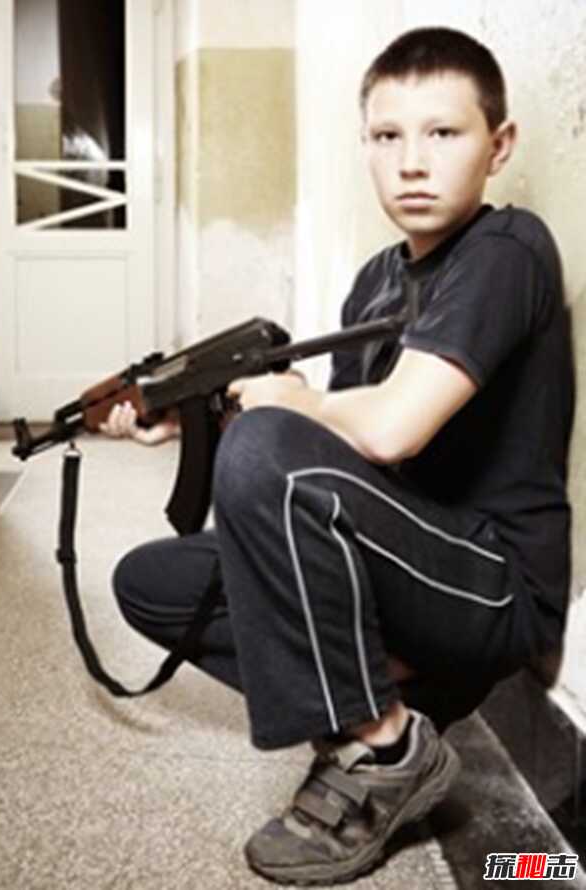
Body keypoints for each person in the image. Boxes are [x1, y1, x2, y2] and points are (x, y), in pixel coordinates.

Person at [110, 26, 574, 886]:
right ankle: (380, 688)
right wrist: (199, 422)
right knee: (150, 581)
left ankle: (384, 747)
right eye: (387, 136)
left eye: (443, 133)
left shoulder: (508, 251)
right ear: (365, 145)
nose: (412, 162)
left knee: (268, 443)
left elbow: (391, 428)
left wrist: (284, 411)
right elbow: (333, 452)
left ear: (499, 144)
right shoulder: (376, 280)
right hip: (408, 566)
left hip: (494, 585)